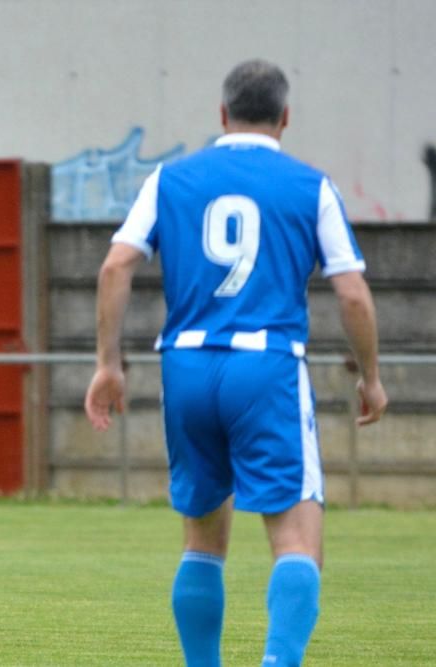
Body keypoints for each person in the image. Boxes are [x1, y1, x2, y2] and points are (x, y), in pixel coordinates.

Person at [84, 59, 387, 666]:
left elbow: (116, 265)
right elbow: (352, 292)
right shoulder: (309, 185)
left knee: (202, 537)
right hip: (266, 367)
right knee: (298, 540)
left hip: (187, 367)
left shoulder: (169, 178)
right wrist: (371, 377)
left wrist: (108, 364)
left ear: (222, 115)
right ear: (285, 118)